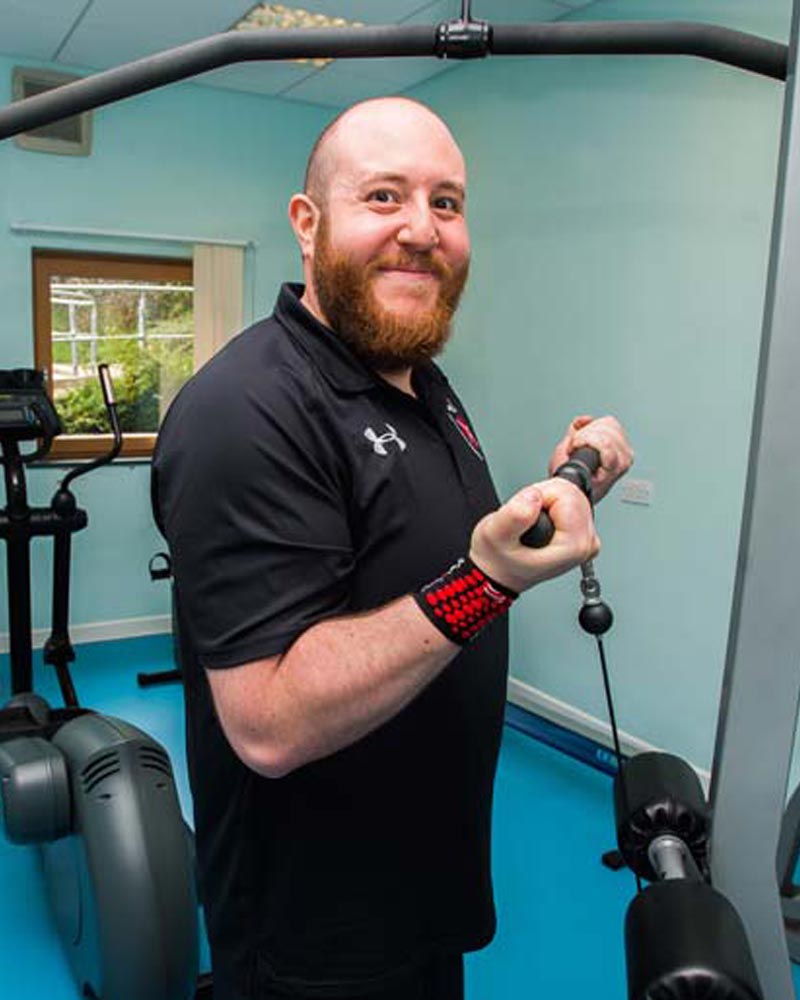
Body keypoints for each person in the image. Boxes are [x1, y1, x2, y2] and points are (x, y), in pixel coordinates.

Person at [151, 96, 633, 1000]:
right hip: (312, 936)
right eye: (383, 196)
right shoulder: (245, 411)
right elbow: (268, 721)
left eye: (445, 203)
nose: (420, 229)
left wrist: (566, 488)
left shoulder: (421, 384)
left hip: (421, 886)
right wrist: (488, 581)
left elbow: (425, 557)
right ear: (308, 222)